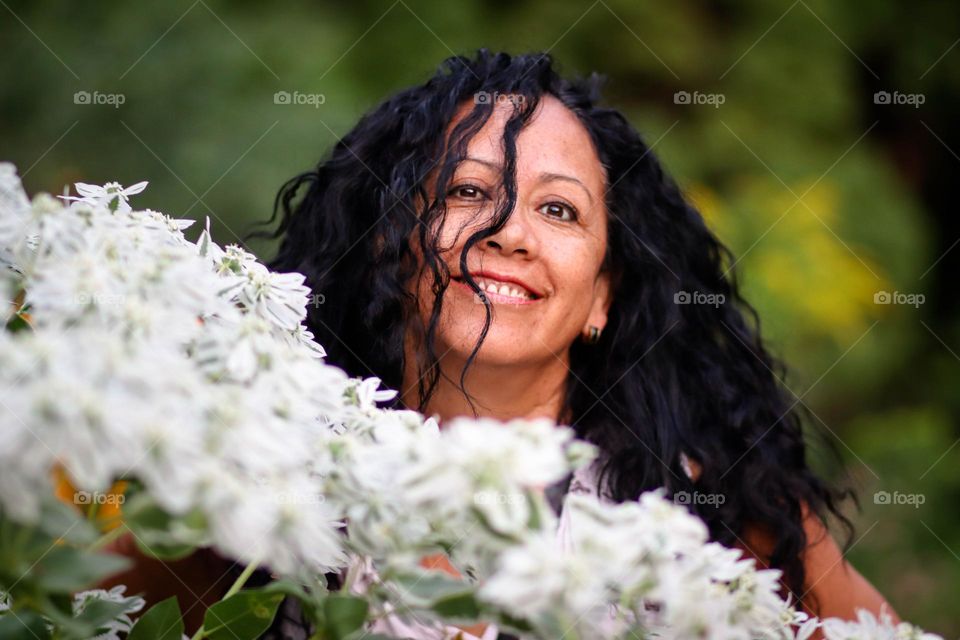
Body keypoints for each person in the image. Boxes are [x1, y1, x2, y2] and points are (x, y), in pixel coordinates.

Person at [106, 48, 900, 639]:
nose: (510, 233)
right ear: (390, 245)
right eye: (467, 190)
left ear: (601, 297)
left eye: (559, 211)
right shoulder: (268, 486)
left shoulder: (719, 510)